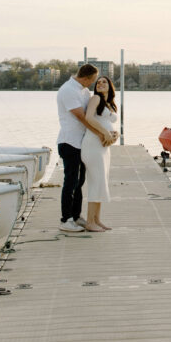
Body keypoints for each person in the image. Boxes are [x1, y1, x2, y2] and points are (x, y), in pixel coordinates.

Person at [56, 63, 107, 232]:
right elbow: (82, 117)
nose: (92, 84)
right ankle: (66, 219)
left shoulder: (84, 91)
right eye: (92, 80)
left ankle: (76, 216)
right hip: (69, 142)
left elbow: (92, 115)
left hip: (82, 143)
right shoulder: (68, 90)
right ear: (86, 78)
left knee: (80, 181)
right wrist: (100, 133)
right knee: (70, 182)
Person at [81, 76, 119, 232]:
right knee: (96, 181)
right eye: (98, 82)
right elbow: (88, 118)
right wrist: (105, 133)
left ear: (110, 86)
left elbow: (108, 124)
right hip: (92, 145)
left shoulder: (109, 104)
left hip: (103, 147)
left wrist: (114, 135)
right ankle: (90, 222)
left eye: (104, 82)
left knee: (102, 181)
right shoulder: (95, 98)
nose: (100, 84)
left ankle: (97, 219)